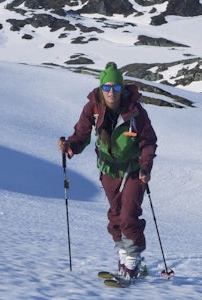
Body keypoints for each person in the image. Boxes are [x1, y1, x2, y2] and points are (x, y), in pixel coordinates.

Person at [58, 62, 157, 280]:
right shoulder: (93, 108)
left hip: (133, 168)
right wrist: (70, 146)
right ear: (101, 88)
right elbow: (81, 134)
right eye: (107, 87)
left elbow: (148, 140)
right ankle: (123, 256)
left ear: (122, 89)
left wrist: (146, 166)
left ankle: (133, 261)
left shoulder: (135, 112)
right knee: (115, 214)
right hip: (108, 169)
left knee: (128, 213)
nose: (112, 92)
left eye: (116, 87)